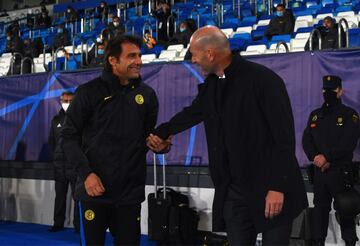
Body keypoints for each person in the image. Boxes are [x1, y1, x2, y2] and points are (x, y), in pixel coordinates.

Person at [147, 26, 308, 245]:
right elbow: (191, 114)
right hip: (234, 192)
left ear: (210, 54)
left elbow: (284, 139)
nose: (192, 60)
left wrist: (277, 187)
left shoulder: (264, 80)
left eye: (194, 54)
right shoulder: (212, 85)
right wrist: (159, 134)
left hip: (271, 188)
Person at [60, 35, 167, 245]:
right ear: (113, 61)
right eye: (131, 56)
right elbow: (68, 138)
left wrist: (160, 146)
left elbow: (147, 136)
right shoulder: (88, 93)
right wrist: (87, 174)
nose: (139, 61)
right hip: (94, 192)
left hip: (130, 194)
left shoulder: (147, 95)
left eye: (139, 55)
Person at [302, 75, 360, 246]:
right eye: (325, 90)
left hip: (341, 172)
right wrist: (315, 157)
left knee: (346, 210)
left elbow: (348, 142)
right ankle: (318, 242)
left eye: (332, 90)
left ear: (340, 91)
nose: (327, 93)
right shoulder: (315, 115)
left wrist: (327, 157)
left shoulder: (350, 115)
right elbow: (307, 141)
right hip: (321, 173)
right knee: (319, 212)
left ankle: (350, 242)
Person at [48, 91, 80, 233]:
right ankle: (58, 223)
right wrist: (55, 158)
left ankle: (78, 225)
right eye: (64, 100)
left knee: (77, 197)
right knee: (59, 197)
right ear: (60, 101)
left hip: (74, 165)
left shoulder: (80, 119)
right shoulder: (55, 120)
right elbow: (51, 142)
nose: (66, 103)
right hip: (59, 166)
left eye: (69, 100)